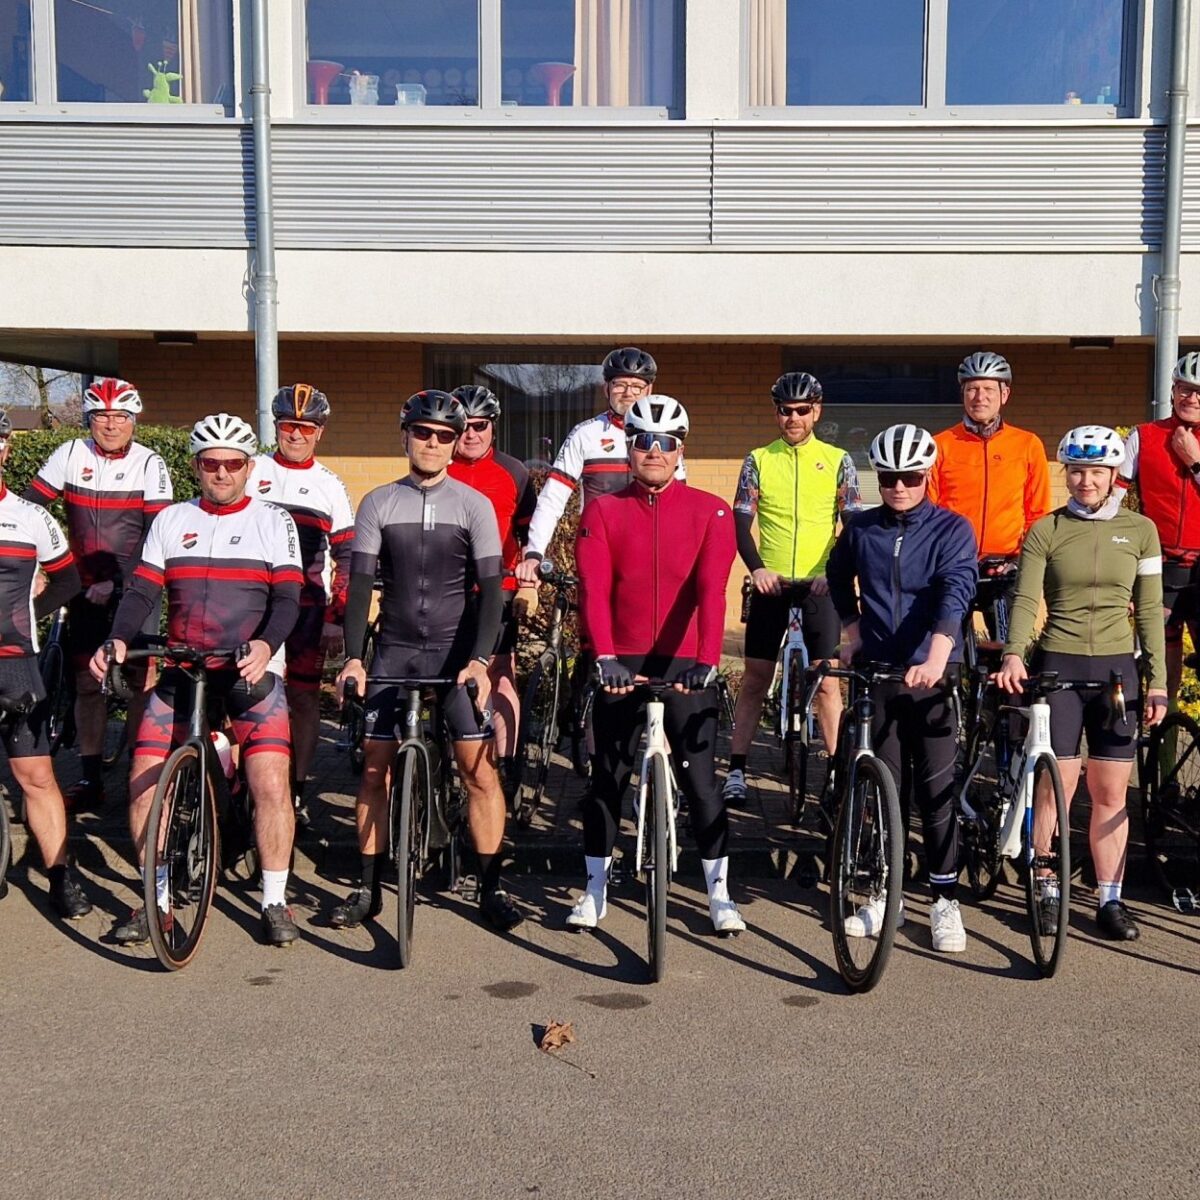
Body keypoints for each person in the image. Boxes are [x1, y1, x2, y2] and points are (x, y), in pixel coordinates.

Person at [91, 413, 305, 948]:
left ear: (249, 467)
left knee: (271, 782)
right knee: (142, 780)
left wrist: (264, 645)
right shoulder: (170, 519)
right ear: (196, 466)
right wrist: (118, 640)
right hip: (183, 667)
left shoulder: (274, 521)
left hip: (246, 668)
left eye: (233, 463)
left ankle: (275, 900)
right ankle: (156, 903)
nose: (222, 472)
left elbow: (288, 599)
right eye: (211, 463)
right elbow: (141, 592)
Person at [334, 390, 523, 933]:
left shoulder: (473, 504)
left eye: (445, 435)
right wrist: (353, 659)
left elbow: (491, 590)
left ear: (455, 441)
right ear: (406, 436)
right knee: (373, 769)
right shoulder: (378, 502)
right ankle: (368, 890)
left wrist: (481, 661)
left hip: (454, 652)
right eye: (424, 433)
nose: (434, 443)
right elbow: (362, 585)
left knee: (479, 772)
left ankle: (490, 888)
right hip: (394, 651)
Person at [569, 395, 741, 934]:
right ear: (628, 447)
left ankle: (719, 892)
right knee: (607, 778)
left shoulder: (711, 511)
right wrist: (605, 658)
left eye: (664, 443)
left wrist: (708, 661)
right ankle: (595, 886)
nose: (653, 451)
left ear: (679, 450)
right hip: (621, 657)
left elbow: (712, 592)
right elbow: (595, 591)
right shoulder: (602, 510)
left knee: (703, 784)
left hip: (689, 657)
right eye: (643, 440)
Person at [998, 426, 1167, 942]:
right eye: (1075, 470)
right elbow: (1027, 601)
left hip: (1118, 671)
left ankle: (1110, 899)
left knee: (1111, 791)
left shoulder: (1141, 530)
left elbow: (1152, 614)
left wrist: (1157, 681)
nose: (1085, 480)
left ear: (1114, 475)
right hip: (1059, 668)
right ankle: (1046, 883)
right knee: (1056, 783)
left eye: (1095, 471)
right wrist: (1012, 653)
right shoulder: (1046, 529)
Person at [826, 424, 977, 953]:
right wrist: (851, 634)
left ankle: (943, 900)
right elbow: (838, 573)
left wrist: (939, 653)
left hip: (931, 673)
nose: (899, 487)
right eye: (889, 478)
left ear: (927, 475)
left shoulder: (951, 528)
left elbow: (957, 590)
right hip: (879, 673)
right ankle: (880, 895)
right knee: (878, 790)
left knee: (936, 794)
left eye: (910, 477)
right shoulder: (862, 529)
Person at [25, 377, 172, 812]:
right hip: (83, 587)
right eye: (102, 416)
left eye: (120, 416)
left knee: (140, 680)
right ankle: (89, 777)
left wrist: (120, 581)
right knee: (87, 683)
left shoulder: (151, 463)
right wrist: (35, 566)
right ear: (90, 419)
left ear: (134, 420)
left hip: (136, 586)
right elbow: (30, 511)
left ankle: (138, 774)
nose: (111, 425)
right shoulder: (70, 453)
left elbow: (157, 532)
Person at [725, 371, 860, 802]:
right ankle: (737, 770)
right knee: (755, 679)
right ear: (777, 413)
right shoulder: (759, 459)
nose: (794, 418)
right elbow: (740, 523)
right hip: (773, 584)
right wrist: (758, 569)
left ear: (817, 412)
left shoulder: (839, 460)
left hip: (821, 585)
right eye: (786, 411)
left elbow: (853, 525)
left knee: (826, 683)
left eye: (803, 410)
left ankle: (839, 774)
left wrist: (834, 572)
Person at [0, 410, 89, 918]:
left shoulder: (32, 517)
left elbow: (69, 581)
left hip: (16, 663)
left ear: (6, 448)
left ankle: (60, 875)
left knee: (36, 776)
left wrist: (28, 613)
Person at [251, 384, 354, 821]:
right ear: (276, 427)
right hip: (254, 605)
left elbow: (348, 556)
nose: (295, 435)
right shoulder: (249, 468)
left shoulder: (329, 484)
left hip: (309, 608)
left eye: (305, 428)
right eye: (287, 426)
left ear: (319, 433)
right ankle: (249, 786)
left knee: (304, 699)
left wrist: (337, 617)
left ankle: (296, 790)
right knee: (252, 697)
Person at [515, 347, 683, 585]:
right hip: (599, 549)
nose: (628, 393)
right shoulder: (585, 434)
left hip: (650, 552)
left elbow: (678, 504)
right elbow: (553, 498)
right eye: (619, 385)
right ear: (606, 388)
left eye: (637, 386)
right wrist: (534, 554)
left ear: (649, 390)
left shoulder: (663, 437)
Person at [447, 385, 537, 796]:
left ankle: (506, 767)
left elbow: (529, 534)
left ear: (492, 428)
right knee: (448, 675)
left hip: (496, 587)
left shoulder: (514, 471)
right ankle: (453, 762)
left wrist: (526, 578)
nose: (470, 434)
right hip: (445, 588)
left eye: (479, 426)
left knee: (499, 673)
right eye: (462, 426)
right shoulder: (438, 464)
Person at [926, 352, 1051, 641]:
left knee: (1007, 653)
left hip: (1005, 564)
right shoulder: (940, 444)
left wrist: (1022, 558)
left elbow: (1038, 511)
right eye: (972, 389)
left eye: (989, 389)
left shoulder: (1027, 444)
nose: (979, 397)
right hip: (955, 562)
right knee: (947, 649)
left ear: (1004, 394)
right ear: (962, 394)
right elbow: (929, 508)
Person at [1118, 351, 1200, 704]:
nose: (1192, 398)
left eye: (1199, 391)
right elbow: (1111, 501)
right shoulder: (1143, 436)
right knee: (1160, 663)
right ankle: (1160, 747)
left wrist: (1194, 460)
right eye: (1184, 388)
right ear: (1172, 390)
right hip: (1158, 565)